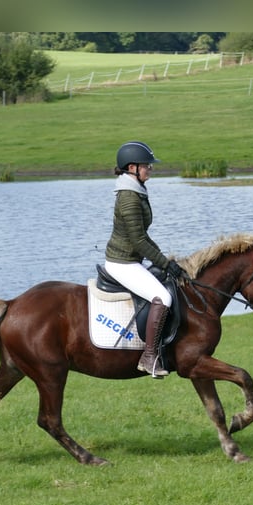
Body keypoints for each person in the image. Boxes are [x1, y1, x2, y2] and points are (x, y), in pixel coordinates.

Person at [104, 141, 186, 378]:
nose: (150, 168)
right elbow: (138, 241)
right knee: (164, 298)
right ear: (132, 167)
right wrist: (163, 262)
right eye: (146, 165)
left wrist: (165, 260)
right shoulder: (129, 196)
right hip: (122, 263)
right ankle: (149, 357)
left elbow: (143, 237)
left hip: (130, 260)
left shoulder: (135, 189)